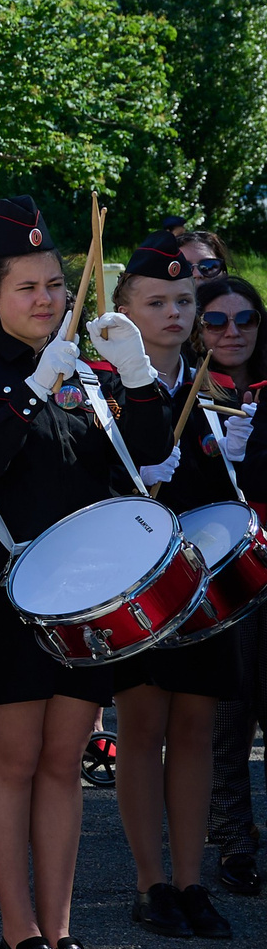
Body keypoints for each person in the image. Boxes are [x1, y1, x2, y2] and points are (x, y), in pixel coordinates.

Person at [0, 196, 173, 949]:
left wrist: (136, 377)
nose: (46, 298)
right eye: (27, 286)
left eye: (55, 285)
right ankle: (17, 935)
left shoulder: (95, 371)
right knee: (11, 760)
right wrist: (35, 387)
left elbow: (149, 457)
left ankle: (61, 930)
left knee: (64, 763)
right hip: (8, 592)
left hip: (86, 599)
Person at [105, 232, 238, 940]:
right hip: (138, 581)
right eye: (155, 301)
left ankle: (191, 879)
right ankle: (149, 879)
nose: (175, 313)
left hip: (202, 581)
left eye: (185, 300)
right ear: (123, 310)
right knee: (144, 725)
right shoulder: (99, 387)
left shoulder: (208, 385)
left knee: (195, 727)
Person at [203, 274, 267, 896]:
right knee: (230, 716)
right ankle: (233, 841)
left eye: (244, 320)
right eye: (216, 322)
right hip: (223, 570)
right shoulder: (188, 393)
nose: (232, 333)